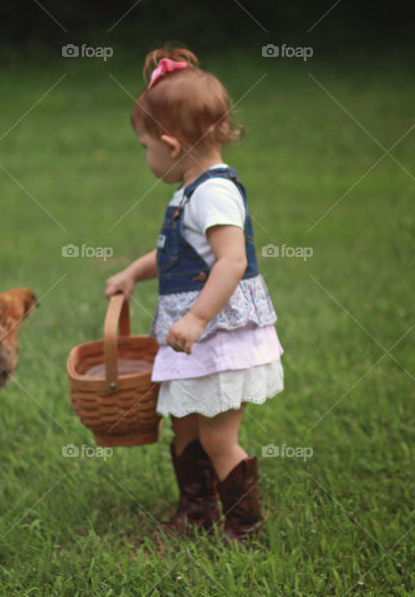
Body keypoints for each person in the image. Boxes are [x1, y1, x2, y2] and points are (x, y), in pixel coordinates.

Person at [105, 47, 284, 544]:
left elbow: (232, 260)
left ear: (171, 143)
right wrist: (132, 273)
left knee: (216, 436)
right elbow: (175, 252)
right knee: (184, 427)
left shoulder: (213, 193)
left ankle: (245, 527)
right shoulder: (188, 190)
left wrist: (197, 319)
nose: (146, 156)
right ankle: (196, 512)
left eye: (145, 145)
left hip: (216, 335)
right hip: (192, 339)